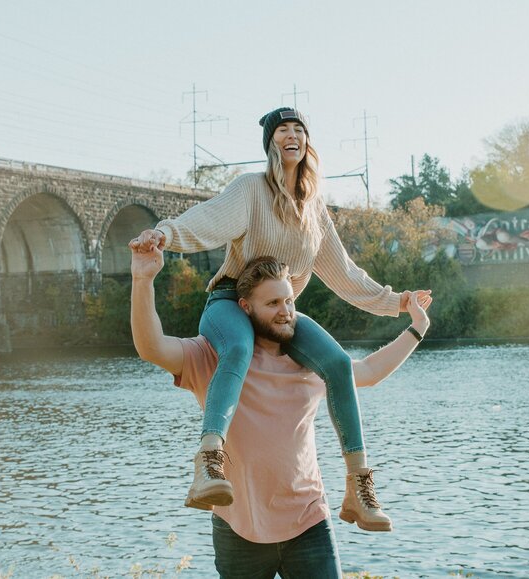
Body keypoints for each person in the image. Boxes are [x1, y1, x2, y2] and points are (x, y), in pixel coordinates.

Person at [129, 107, 421, 530]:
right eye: (282, 130)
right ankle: (209, 461)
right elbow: (208, 220)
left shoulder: (313, 209)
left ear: (308, 143)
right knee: (239, 347)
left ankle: (358, 485)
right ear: (271, 142)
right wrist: (165, 235)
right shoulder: (250, 189)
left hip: (281, 311)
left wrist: (396, 302)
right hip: (232, 301)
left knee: (338, 364)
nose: (292, 135)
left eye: (299, 130)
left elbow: (344, 273)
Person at [130, 248, 432, 578]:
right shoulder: (212, 358)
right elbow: (152, 347)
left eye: (289, 301)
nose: (285, 312)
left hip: (308, 523)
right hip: (238, 529)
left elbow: (368, 371)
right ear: (245, 308)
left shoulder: (311, 364)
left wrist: (417, 327)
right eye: (272, 303)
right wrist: (143, 279)